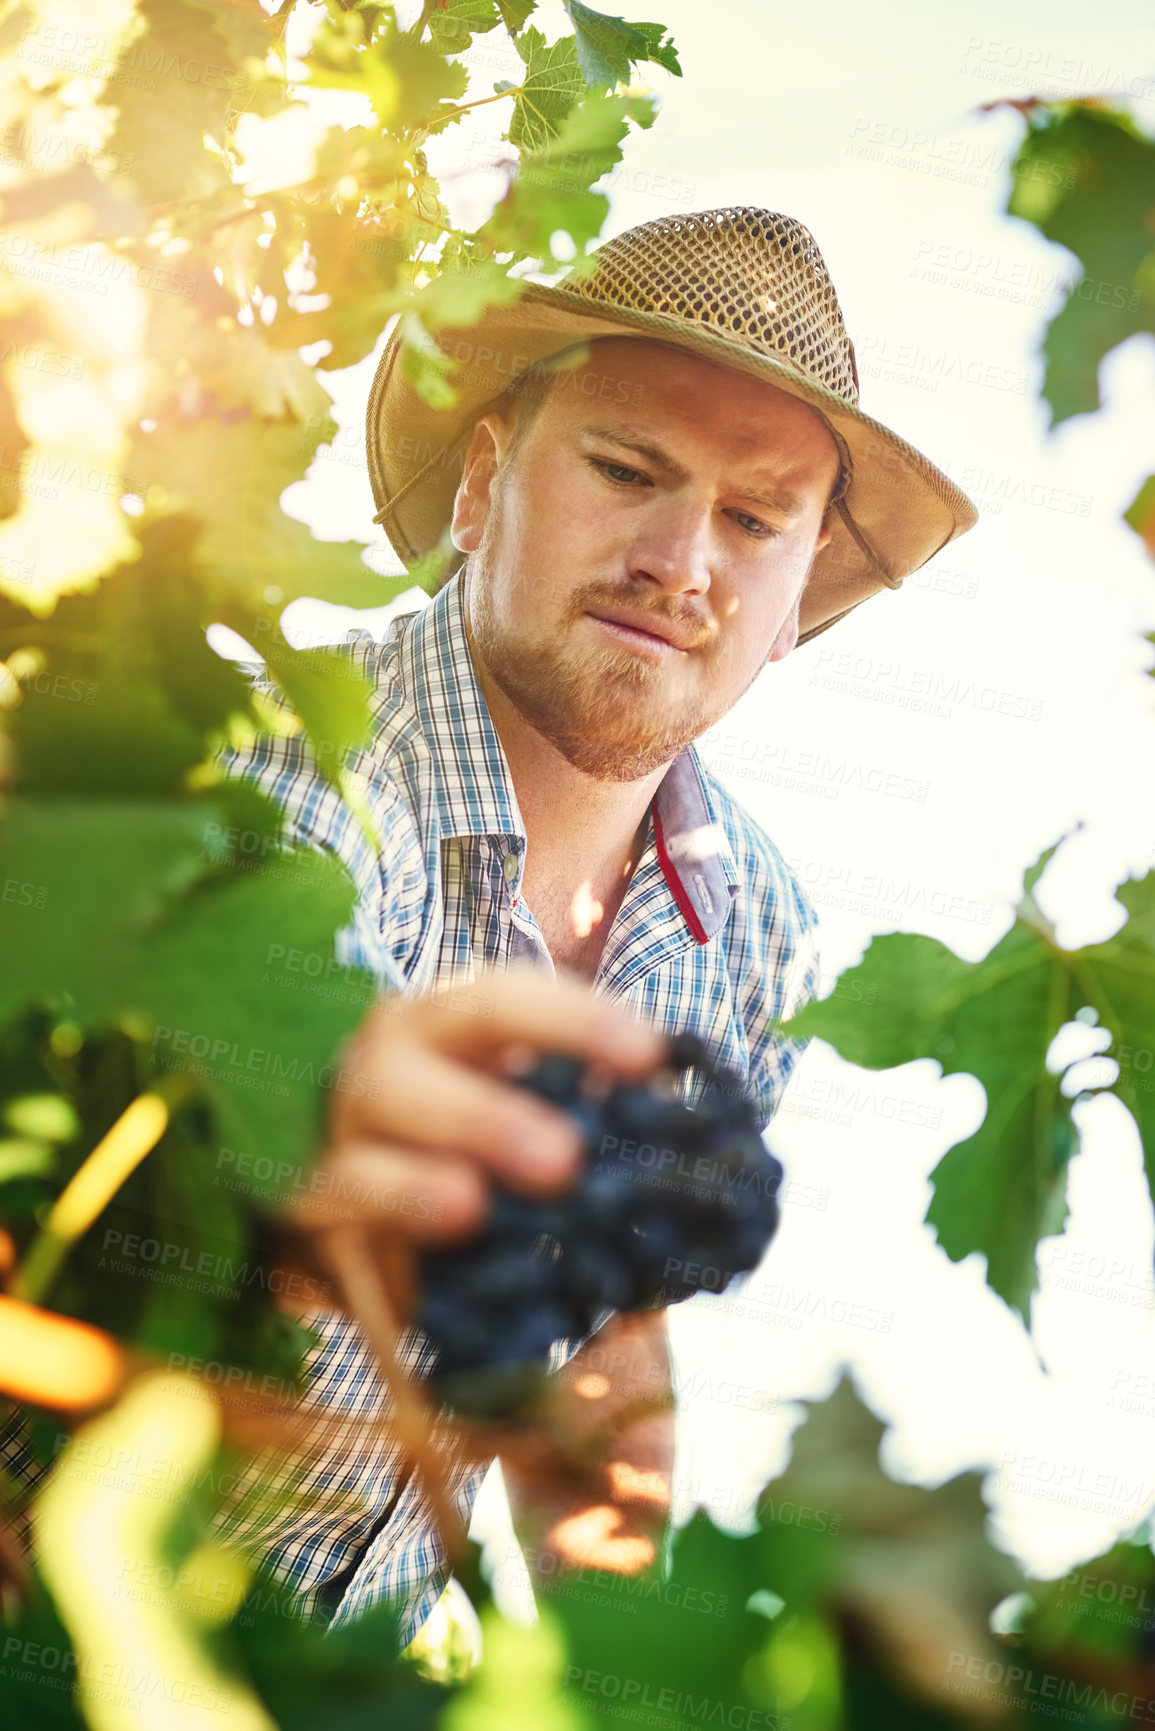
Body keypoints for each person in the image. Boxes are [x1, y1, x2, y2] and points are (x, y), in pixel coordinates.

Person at [217, 206, 977, 1646]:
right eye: (629, 471)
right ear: (483, 484)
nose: (684, 561)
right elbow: (260, 1166)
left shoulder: (755, 936)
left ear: (793, 602)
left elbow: (606, 1344)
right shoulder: (272, 766)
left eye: (755, 523)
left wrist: (619, 1677)